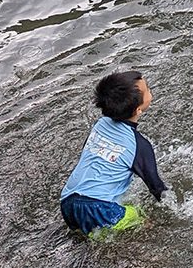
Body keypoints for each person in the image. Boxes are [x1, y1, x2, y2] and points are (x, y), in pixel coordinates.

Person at [59, 71, 167, 237]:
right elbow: (156, 187)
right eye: (148, 91)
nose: (150, 92)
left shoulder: (99, 125)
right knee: (144, 220)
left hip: (67, 202)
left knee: (92, 234)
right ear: (139, 109)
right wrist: (172, 207)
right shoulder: (139, 145)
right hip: (100, 209)